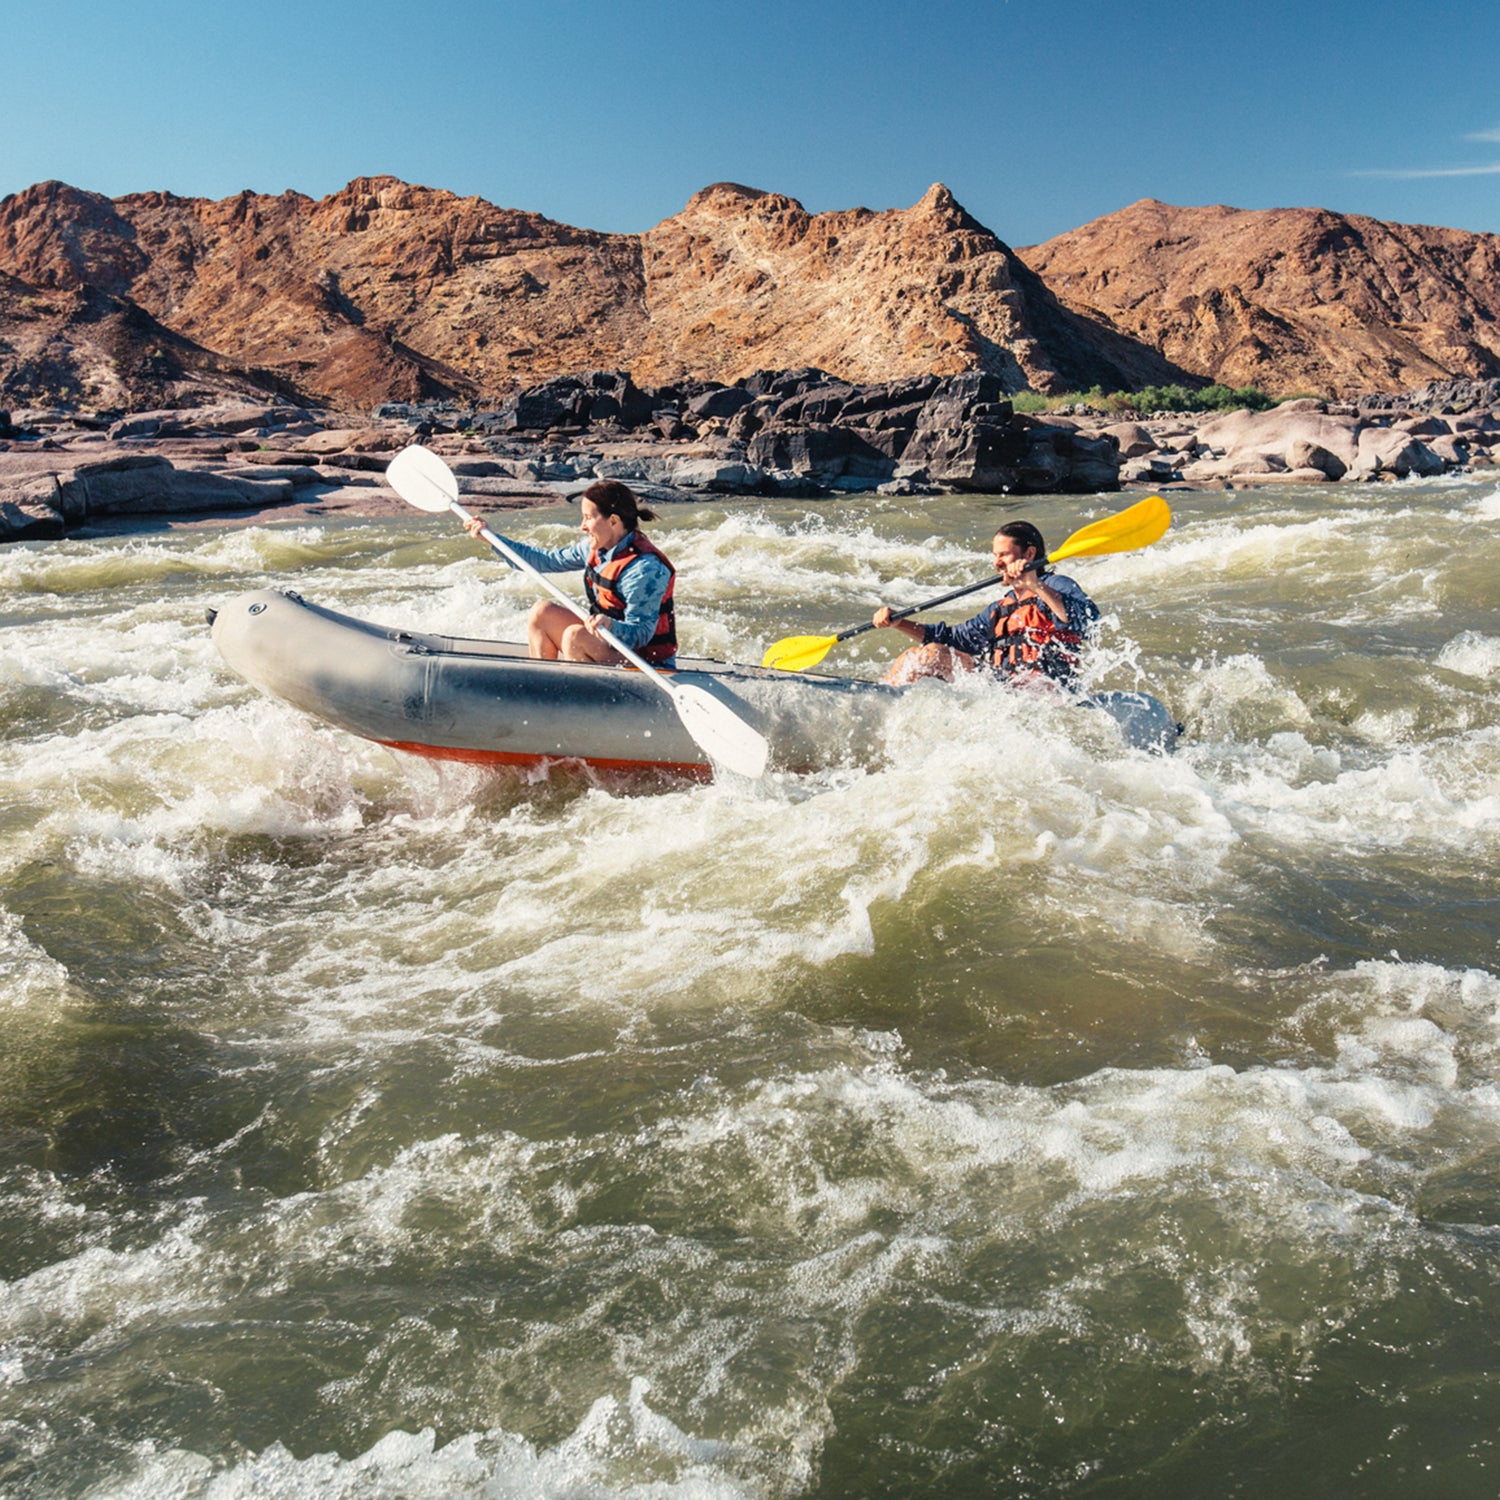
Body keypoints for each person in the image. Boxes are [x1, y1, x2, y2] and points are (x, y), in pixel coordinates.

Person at [463, 479, 677, 666]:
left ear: (613, 521)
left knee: (575, 636)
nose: (582, 526)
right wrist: (491, 538)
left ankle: (570, 702)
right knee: (542, 611)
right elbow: (545, 560)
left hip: (647, 662)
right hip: (609, 644)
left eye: (588, 517)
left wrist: (611, 625)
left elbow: (642, 635)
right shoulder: (595, 548)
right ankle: (543, 688)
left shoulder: (644, 569)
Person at [872, 520, 1099, 688]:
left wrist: (1035, 584)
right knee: (919, 656)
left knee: (930, 655)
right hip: (1005, 687)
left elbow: (1088, 622)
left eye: (1004, 555)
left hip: (1048, 689)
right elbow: (951, 638)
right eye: (995, 555)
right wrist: (899, 623)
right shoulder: (999, 609)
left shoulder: (1057, 585)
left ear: (1029, 554)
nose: (996, 563)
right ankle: (883, 697)